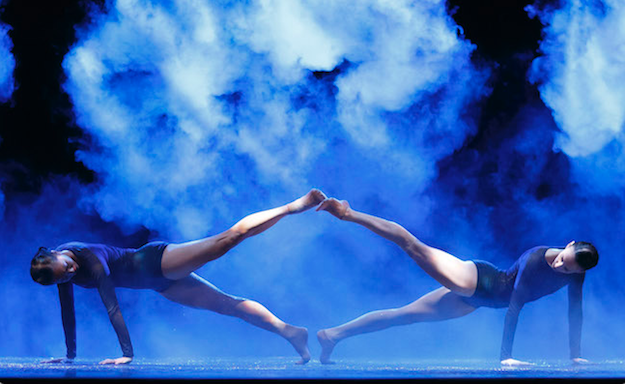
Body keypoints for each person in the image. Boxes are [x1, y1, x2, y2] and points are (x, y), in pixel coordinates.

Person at [30, 189, 327, 365]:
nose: (70, 273)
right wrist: (69, 357)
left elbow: (112, 306)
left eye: (66, 268)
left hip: (155, 261)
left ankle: (292, 207)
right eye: (63, 278)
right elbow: (66, 312)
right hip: (158, 284)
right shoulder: (61, 274)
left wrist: (128, 354)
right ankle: (290, 332)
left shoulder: (87, 258)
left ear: (56, 253)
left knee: (227, 239)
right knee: (227, 305)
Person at [314, 197, 599, 366]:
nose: (560, 264)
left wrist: (575, 355)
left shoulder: (577, 274)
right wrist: (505, 357)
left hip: (475, 301)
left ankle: (333, 335)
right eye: (563, 257)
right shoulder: (536, 259)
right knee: (413, 246)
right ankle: (348, 213)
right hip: (475, 280)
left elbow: (576, 312)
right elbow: (515, 307)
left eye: (566, 268)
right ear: (568, 244)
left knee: (402, 317)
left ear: (577, 273)